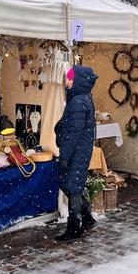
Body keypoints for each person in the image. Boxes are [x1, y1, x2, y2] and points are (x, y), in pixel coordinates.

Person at [54, 66, 98, 241]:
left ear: (79, 80)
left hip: (77, 151)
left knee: (72, 188)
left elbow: (73, 134)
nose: (67, 81)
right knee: (72, 186)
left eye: (71, 78)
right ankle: (87, 218)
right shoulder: (80, 99)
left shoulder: (79, 102)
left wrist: (65, 156)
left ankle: (74, 228)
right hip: (80, 149)